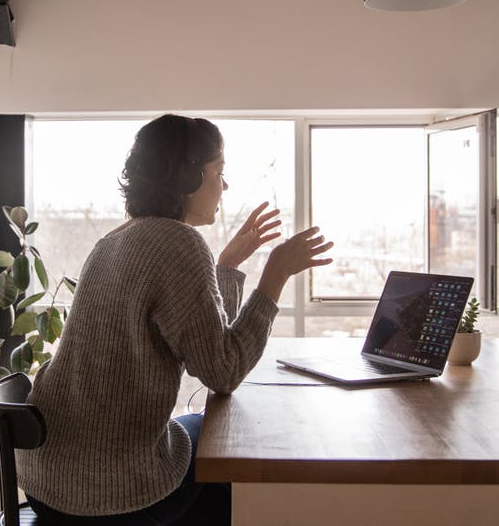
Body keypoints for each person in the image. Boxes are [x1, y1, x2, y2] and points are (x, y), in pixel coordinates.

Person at [17, 114, 333, 525]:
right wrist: (274, 278)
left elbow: (207, 343)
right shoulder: (179, 243)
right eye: (219, 171)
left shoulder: (112, 240)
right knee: (226, 451)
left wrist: (228, 266)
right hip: (111, 493)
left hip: (48, 482)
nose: (224, 185)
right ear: (187, 174)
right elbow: (223, 370)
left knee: (203, 433)